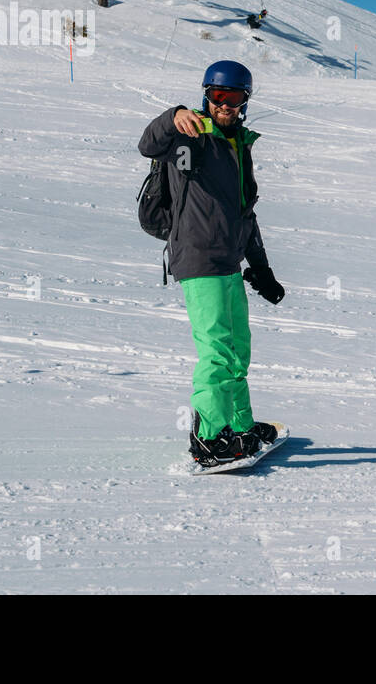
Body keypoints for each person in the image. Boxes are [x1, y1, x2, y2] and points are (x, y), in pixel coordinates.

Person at [137, 60, 287, 467]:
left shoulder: (240, 145)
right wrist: (173, 117)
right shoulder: (190, 135)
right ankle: (208, 438)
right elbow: (148, 145)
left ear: (244, 102)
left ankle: (240, 428)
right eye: (218, 96)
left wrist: (261, 268)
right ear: (207, 95)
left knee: (237, 353)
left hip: (229, 262)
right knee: (217, 353)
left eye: (233, 97)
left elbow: (245, 214)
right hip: (198, 257)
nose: (225, 104)